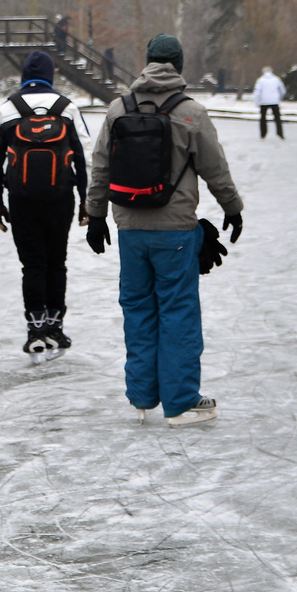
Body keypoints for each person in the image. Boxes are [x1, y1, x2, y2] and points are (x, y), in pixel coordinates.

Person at [84, 33, 245, 426]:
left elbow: (101, 166)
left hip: (129, 230)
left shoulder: (118, 109)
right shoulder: (190, 112)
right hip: (175, 231)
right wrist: (233, 208)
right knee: (178, 311)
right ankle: (180, 402)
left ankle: (141, 396)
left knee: (138, 308)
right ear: (180, 64)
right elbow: (214, 168)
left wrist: (96, 215)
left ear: (147, 61)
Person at [0, 51, 89, 356]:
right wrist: (86, 203)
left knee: (32, 264)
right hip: (61, 199)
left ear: (24, 76)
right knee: (57, 262)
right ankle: (56, 327)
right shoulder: (67, 109)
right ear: (52, 75)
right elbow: (86, 158)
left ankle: (35, 329)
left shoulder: (7, 110)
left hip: (21, 200)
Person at [253, 66, 286, 139]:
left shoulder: (260, 80)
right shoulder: (276, 79)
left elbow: (257, 92)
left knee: (263, 118)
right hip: (274, 101)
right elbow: (283, 90)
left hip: (264, 101)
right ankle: (280, 132)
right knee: (277, 118)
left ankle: (263, 134)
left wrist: (257, 102)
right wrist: (279, 98)